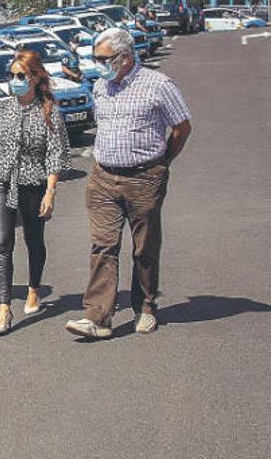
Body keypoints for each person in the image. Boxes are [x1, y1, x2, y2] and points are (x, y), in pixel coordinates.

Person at [65, 28, 192, 339]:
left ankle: (146, 306)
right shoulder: (100, 86)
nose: (97, 64)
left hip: (144, 177)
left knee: (144, 247)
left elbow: (182, 128)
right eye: (95, 58)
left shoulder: (158, 85)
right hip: (103, 177)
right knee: (103, 245)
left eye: (102, 59)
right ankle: (98, 317)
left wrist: (161, 164)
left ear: (124, 57)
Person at [0, 50, 71, 336]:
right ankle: (4, 308)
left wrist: (50, 192)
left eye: (21, 76)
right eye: (11, 76)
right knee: (2, 242)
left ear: (34, 78)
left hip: (33, 183)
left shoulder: (49, 111)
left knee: (34, 239)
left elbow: (56, 154)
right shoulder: (1, 109)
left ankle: (34, 288)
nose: (14, 81)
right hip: (1, 182)